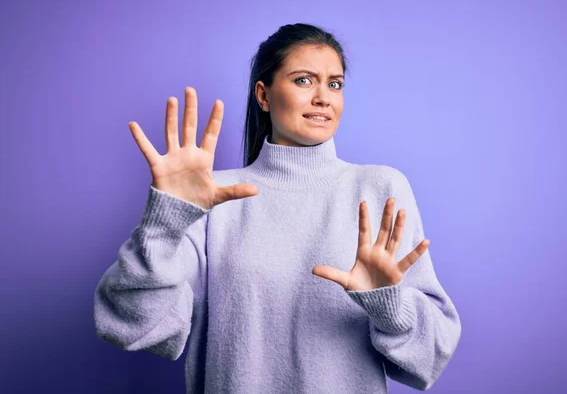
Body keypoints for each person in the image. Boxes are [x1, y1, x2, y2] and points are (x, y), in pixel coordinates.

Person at [94, 23, 462, 393]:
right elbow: (133, 324)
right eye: (304, 80)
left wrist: (388, 304)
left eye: (334, 84)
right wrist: (166, 221)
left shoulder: (380, 188)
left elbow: (431, 355)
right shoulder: (213, 196)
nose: (324, 97)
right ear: (264, 95)